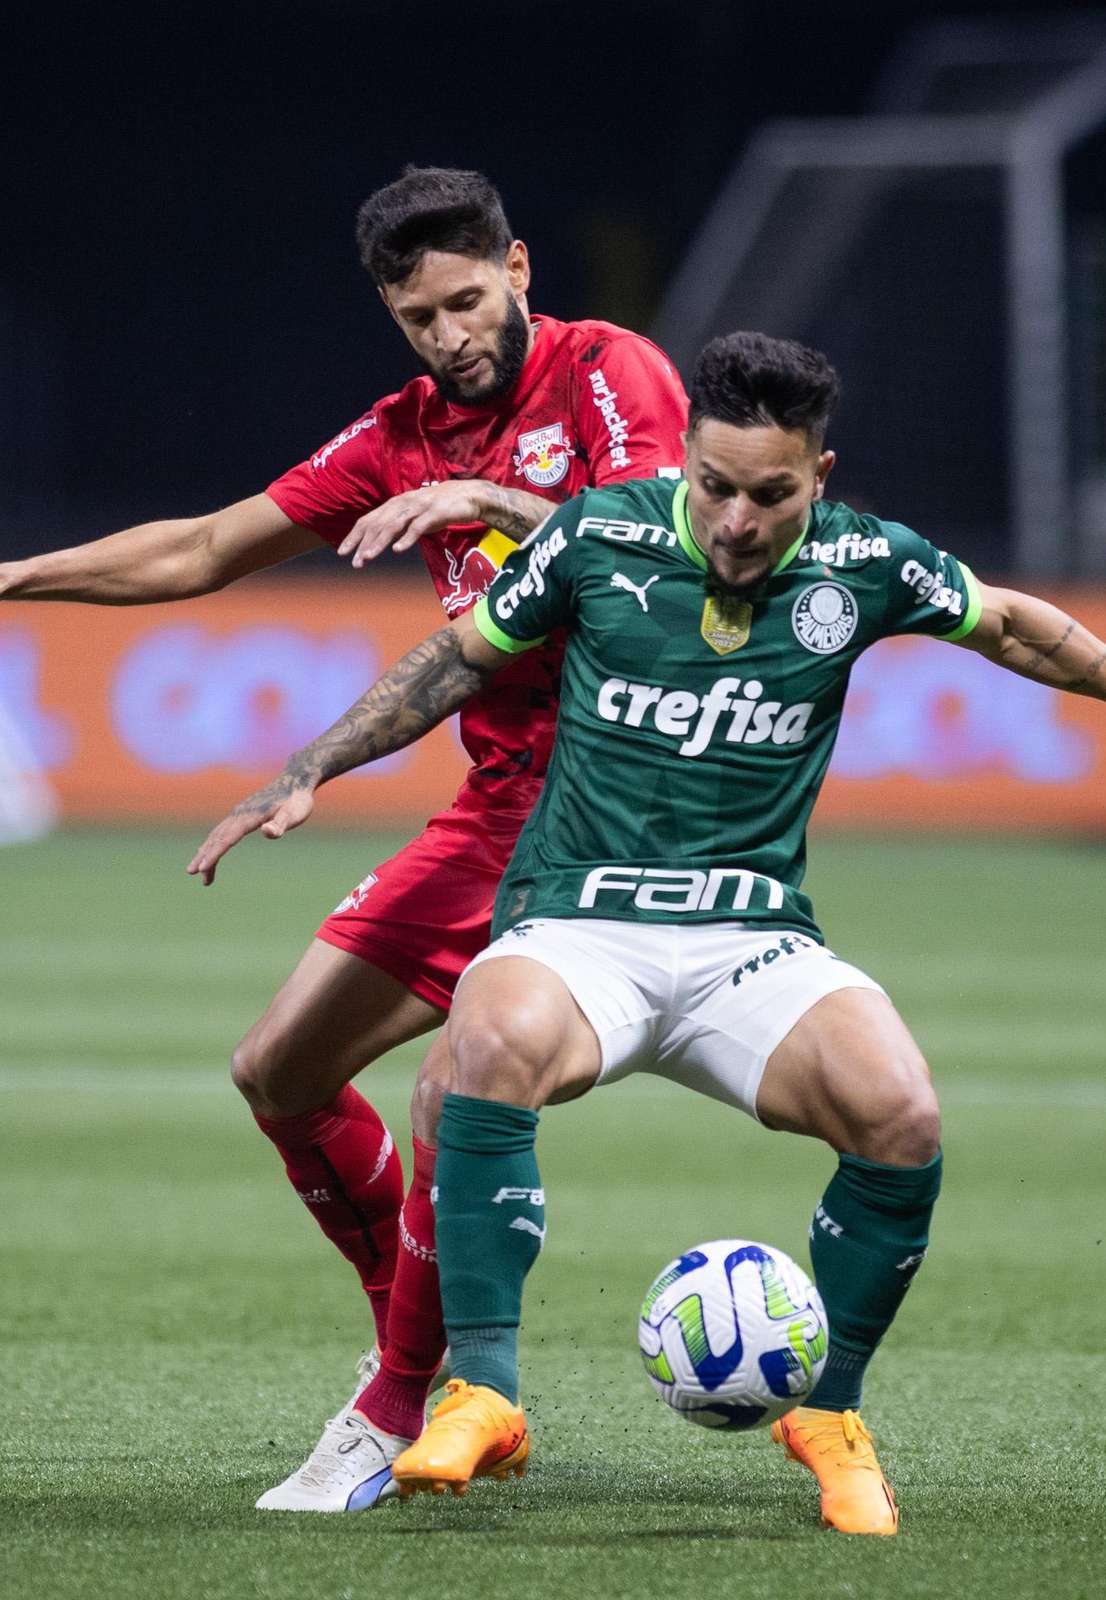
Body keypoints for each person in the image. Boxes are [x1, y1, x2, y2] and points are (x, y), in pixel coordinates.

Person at [190, 327, 1106, 1534]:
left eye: (769, 494)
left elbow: (1022, 628)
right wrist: (309, 765)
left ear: (819, 479)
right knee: (478, 1049)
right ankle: (484, 1393)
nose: (733, 519)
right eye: (712, 485)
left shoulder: (864, 562)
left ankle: (828, 1410)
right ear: (688, 466)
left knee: (902, 1112)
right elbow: (454, 662)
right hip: (578, 927)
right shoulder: (599, 535)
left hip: (752, 941)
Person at [0, 166, 689, 1511]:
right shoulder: (399, 431)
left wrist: (491, 509)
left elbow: (670, 559)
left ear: (522, 269)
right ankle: (417, 1333)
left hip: (625, 802)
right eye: (417, 315)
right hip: (502, 803)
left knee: (455, 1092)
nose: (447, 334)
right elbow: (203, 548)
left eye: (466, 300)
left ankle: (391, 1405)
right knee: (280, 1068)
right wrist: (19, 576)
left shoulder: (608, 374)